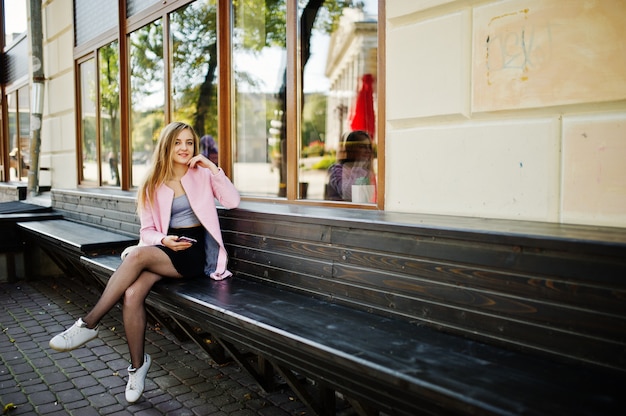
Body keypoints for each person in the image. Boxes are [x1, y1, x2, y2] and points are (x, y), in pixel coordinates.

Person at [49, 121, 240, 403]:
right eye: (177, 142)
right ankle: (137, 367)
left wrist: (213, 168)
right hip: (166, 248)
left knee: (137, 255)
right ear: (166, 146)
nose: (184, 148)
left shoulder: (201, 174)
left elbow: (232, 201)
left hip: (195, 252)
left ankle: (88, 324)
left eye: (189, 142)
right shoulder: (153, 182)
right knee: (132, 293)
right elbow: (147, 232)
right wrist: (164, 241)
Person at [324, 130, 376, 202]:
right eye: (362, 147)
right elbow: (348, 195)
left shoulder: (366, 171)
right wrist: (358, 165)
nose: (368, 150)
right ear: (351, 149)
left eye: (369, 147)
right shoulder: (336, 171)